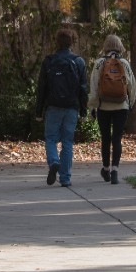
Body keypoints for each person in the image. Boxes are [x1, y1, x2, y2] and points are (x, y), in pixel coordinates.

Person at [35, 27, 88, 188]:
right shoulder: (78, 62)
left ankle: (53, 161)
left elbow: (42, 87)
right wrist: (83, 111)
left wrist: (38, 111)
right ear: (72, 42)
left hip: (53, 106)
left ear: (57, 42)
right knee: (67, 142)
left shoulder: (49, 61)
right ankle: (65, 178)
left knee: (51, 138)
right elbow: (83, 89)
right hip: (71, 107)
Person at [87, 34, 136, 185]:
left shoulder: (99, 63)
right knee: (117, 138)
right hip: (121, 106)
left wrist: (92, 106)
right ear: (120, 46)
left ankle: (106, 169)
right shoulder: (124, 64)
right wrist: (130, 103)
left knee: (105, 138)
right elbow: (132, 86)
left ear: (106, 46)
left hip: (104, 106)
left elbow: (94, 87)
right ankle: (115, 169)